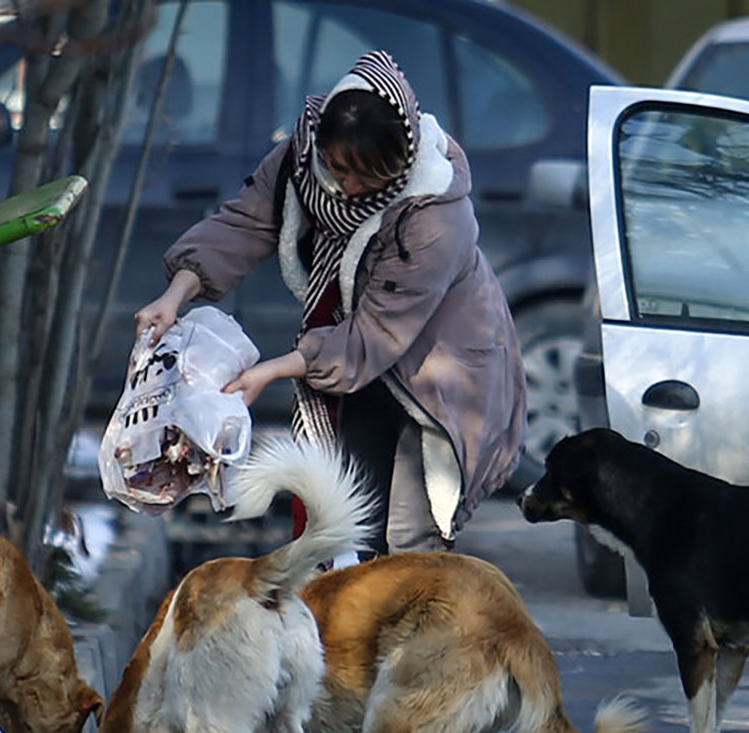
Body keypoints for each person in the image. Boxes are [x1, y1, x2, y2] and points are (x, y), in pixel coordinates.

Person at [134, 50, 527, 560]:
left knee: (408, 541)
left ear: (404, 161)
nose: (350, 185)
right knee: (341, 520)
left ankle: (409, 635)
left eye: (371, 176)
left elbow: (375, 336)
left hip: (439, 369)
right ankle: (339, 630)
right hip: (348, 356)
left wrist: (272, 371)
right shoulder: (301, 158)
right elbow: (244, 223)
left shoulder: (434, 217)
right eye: (341, 167)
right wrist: (173, 296)